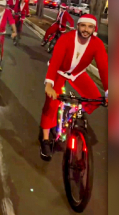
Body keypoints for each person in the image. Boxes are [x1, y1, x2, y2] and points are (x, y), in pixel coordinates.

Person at [39, 14, 108, 161]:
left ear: (94, 29)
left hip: (77, 73)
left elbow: (103, 69)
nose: (86, 29)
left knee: (96, 98)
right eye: (83, 25)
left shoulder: (97, 44)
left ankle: (71, 111)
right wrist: (49, 84)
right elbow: (55, 61)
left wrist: (108, 91)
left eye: (90, 27)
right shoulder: (66, 38)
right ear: (78, 26)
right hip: (59, 72)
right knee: (51, 104)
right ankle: (45, 139)